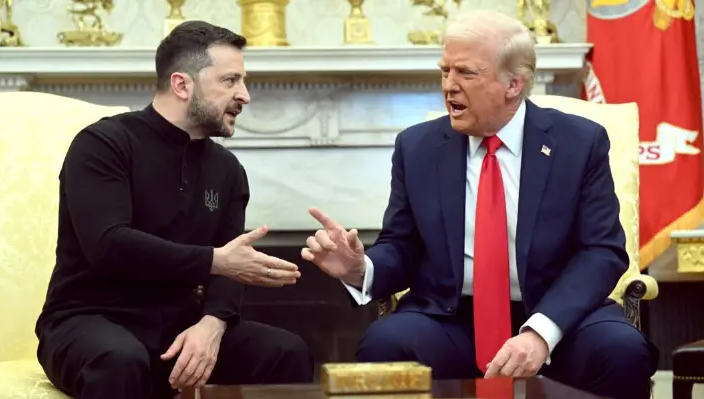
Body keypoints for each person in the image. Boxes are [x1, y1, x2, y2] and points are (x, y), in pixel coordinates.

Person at [301, 10, 657, 399]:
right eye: (444, 71)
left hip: (559, 314)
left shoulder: (579, 142)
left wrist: (541, 331)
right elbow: (401, 245)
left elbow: (602, 252)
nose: (449, 86)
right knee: (386, 345)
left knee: (621, 352)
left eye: (466, 73)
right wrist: (360, 269)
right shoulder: (417, 147)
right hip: (452, 318)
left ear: (513, 84)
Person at [35, 21, 314, 399]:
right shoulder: (103, 144)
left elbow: (234, 263)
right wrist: (214, 260)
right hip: (88, 320)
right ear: (182, 85)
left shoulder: (228, 171)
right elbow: (108, 245)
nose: (245, 95)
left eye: (243, 81)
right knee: (120, 361)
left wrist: (212, 325)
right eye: (230, 81)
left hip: (181, 326)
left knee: (284, 352)